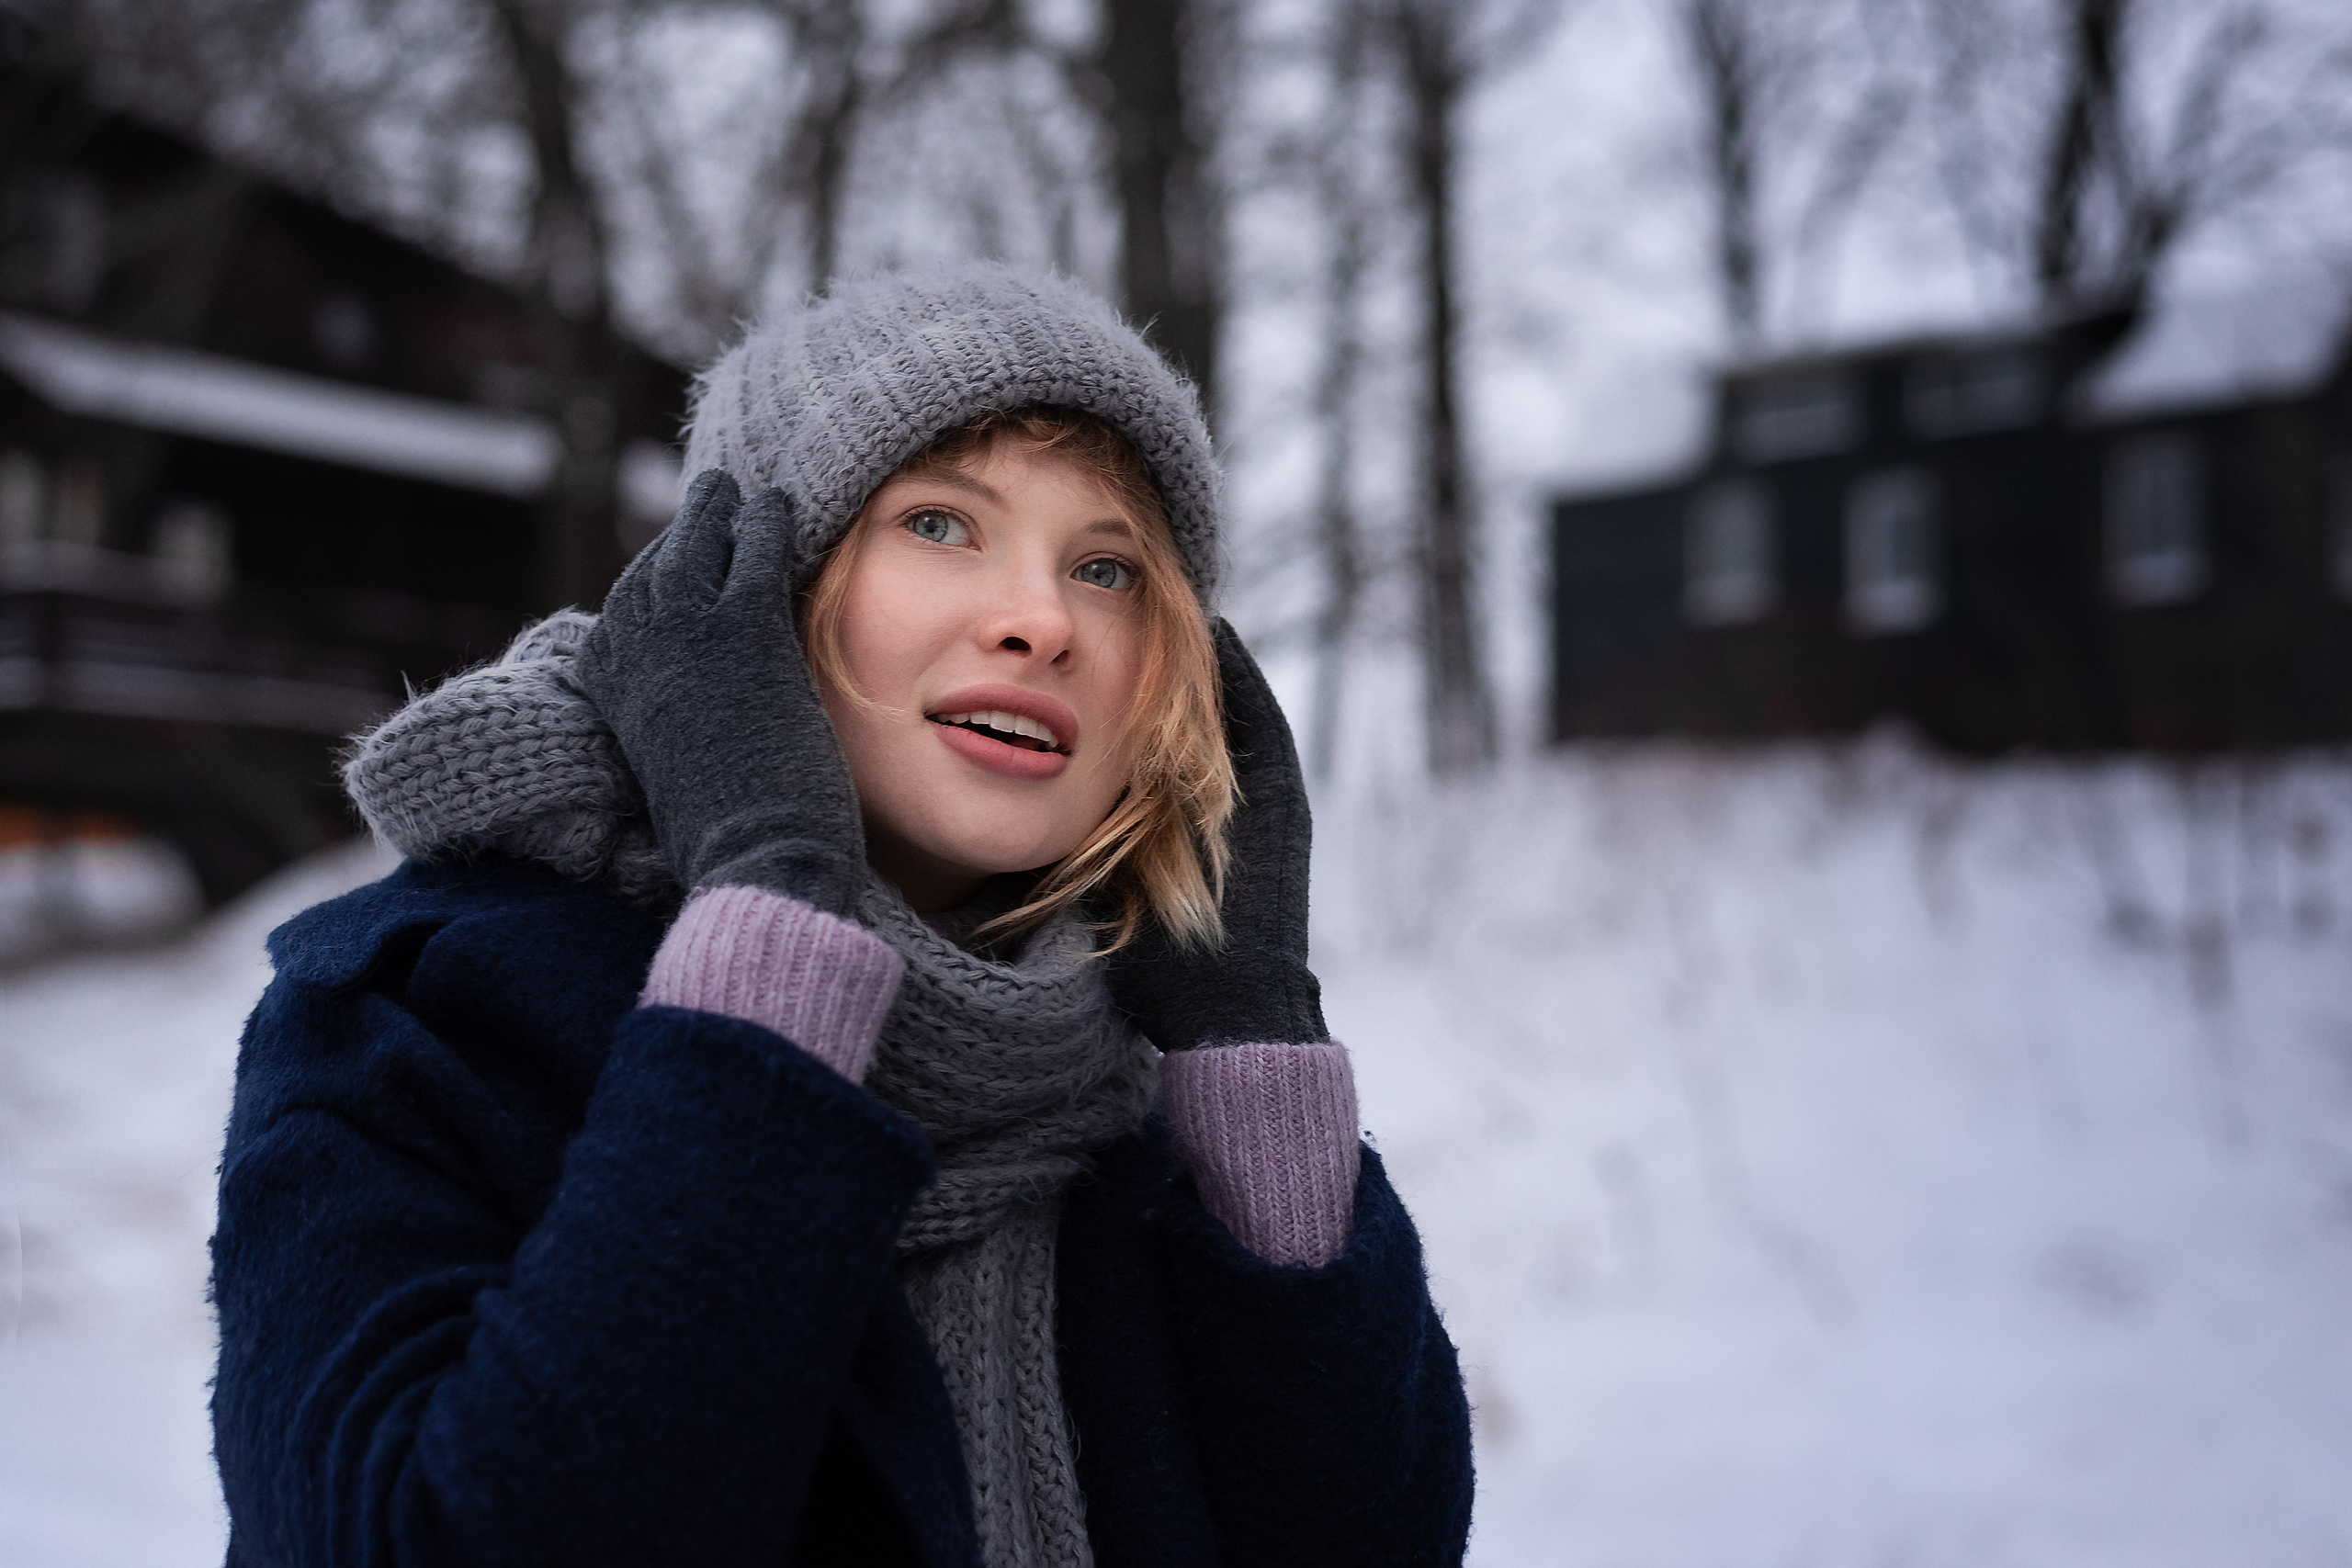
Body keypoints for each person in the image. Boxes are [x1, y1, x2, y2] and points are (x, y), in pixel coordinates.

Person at [209, 264, 1473, 1568]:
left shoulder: (1154, 1127)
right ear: (747, 596)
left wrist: (1250, 1041)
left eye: (1107, 569)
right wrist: (770, 912)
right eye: (940, 524)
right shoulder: (418, 1026)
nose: (1042, 620)